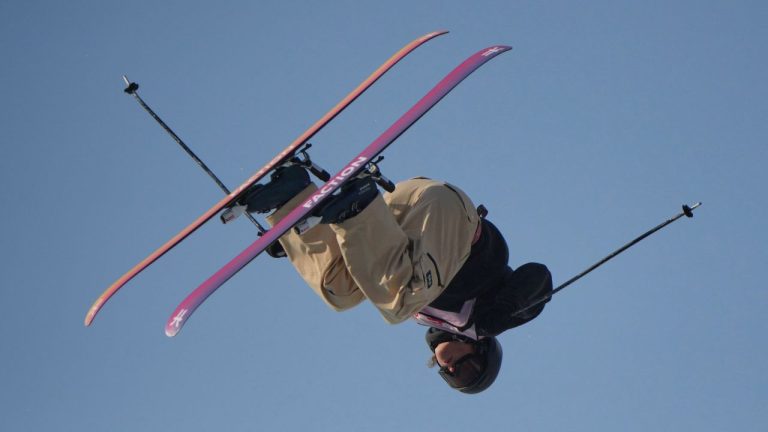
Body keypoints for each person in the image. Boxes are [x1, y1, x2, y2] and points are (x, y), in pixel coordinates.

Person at [237, 163, 553, 394]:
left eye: (450, 376)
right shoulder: (485, 317)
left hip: (395, 212)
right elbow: (537, 277)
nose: (452, 367)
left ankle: (291, 198)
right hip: (448, 215)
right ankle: (356, 207)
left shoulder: (425, 310)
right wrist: (500, 314)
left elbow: (372, 263)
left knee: (342, 294)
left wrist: (301, 244)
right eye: (467, 370)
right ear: (482, 351)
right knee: (397, 304)